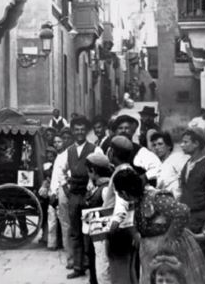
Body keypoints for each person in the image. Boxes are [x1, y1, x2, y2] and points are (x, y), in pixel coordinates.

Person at [51, 116, 104, 279]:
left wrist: (93, 185)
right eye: (76, 129)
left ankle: (92, 266)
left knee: (90, 231)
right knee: (75, 232)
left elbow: (102, 168)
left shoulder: (95, 149)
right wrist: (65, 188)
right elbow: (60, 170)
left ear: (86, 131)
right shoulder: (68, 151)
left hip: (89, 196)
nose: (79, 132)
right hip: (74, 195)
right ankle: (78, 266)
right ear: (73, 131)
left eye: (82, 129)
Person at [135, 189, 205, 284]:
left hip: (167, 243)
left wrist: (171, 235)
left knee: (175, 274)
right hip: (152, 245)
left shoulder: (156, 198)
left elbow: (182, 212)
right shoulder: (141, 199)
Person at [104, 141, 143, 284]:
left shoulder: (121, 173)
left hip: (121, 229)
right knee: (130, 269)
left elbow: (122, 204)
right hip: (128, 227)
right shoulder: (126, 169)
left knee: (120, 271)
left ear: (112, 153)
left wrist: (112, 227)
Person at [178, 129, 205, 236]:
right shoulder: (187, 164)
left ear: (196, 144)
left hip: (200, 220)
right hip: (186, 218)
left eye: (185, 142)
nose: (181, 145)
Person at [83, 153, 113, 284]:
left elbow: (109, 212)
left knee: (102, 266)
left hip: (102, 237)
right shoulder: (98, 186)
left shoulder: (105, 189)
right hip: (95, 235)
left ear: (93, 171)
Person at [150, 132, 190, 198]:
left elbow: (188, 177)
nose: (157, 147)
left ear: (169, 146)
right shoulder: (156, 165)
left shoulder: (177, 158)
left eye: (160, 144)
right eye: (154, 145)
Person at [39, 147, 58, 248]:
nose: (50, 157)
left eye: (52, 156)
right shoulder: (45, 165)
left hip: (53, 191)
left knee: (51, 217)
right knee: (46, 216)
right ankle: (45, 236)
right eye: (48, 156)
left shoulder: (56, 165)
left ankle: (51, 239)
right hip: (47, 192)